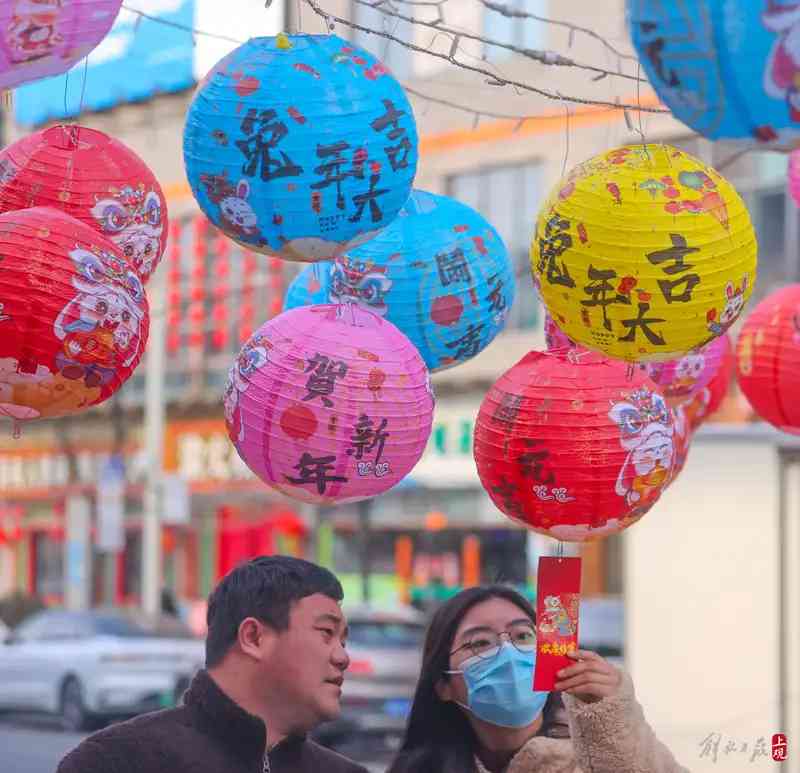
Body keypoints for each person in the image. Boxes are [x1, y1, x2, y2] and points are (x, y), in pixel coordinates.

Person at [57, 556, 369, 773]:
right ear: (253, 637)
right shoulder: (115, 761)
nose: (342, 657)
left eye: (343, 640)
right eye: (326, 633)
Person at [388, 584, 689, 773]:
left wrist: (611, 719)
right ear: (443, 684)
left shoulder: (592, 758)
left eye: (523, 635)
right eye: (480, 643)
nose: (508, 653)